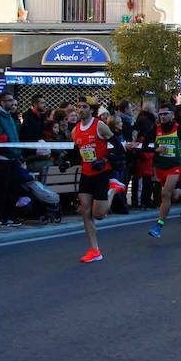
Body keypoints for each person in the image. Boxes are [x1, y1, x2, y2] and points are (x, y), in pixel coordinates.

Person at [73, 98, 122, 263]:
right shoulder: (75, 131)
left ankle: (114, 188)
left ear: (91, 110)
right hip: (86, 175)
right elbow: (76, 152)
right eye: (78, 107)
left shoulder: (100, 126)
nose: (80, 110)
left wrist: (105, 161)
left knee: (98, 215)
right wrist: (66, 161)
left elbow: (119, 148)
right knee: (85, 212)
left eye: (84, 107)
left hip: (102, 174)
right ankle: (94, 250)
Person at [147, 103, 181, 238]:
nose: (162, 117)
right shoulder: (154, 129)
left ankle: (159, 225)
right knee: (172, 196)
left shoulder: (180, 129)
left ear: (172, 115)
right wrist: (155, 149)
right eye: (160, 114)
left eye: (165, 114)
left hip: (175, 166)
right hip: (160, 166)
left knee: (165, 194)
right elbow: (145, 146)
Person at [0, 93, 23, 228]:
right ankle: (1, 217)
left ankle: (10, 216)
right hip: (4, 158)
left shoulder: (10, 117)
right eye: (9, 101)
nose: (12, 103)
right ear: (2, 102)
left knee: (13, 188)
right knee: (3, 189)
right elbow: (1, 135)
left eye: (13, 100)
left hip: (13, 157)